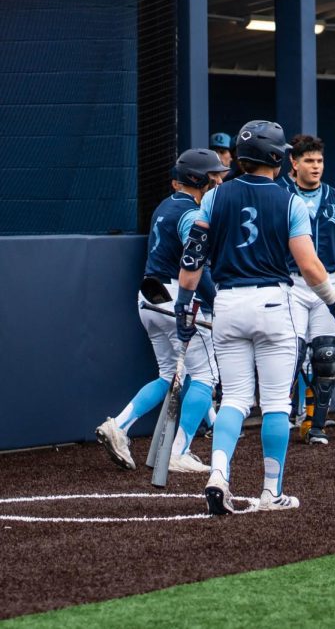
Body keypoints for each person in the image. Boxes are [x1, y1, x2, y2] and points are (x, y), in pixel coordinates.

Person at [175, 121, 335, 515]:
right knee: (274, 402)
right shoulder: (289, 201)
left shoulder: (214, 198)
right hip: (275, 303)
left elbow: (191, 264)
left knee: (235, 398)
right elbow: (309, 265)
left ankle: (218, 472)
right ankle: (272, 492)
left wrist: (184, 306)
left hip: (228, 305)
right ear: (276, 157)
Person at [95, 149, 228, 474]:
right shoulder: (191, 214)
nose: (220, 180)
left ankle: (120, 424)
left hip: (148, 298)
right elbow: (194, 263)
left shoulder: (164, 207)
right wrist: (218, 304)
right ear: (199, 179)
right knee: (206, 376)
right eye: (214, 175)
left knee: (169, 375)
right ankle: (179, 450)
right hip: (175, 296)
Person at [284, 134, 335, 446]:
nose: (315, 167)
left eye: (319, 161)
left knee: (327, 355)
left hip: (328, 281)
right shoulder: (282, 194)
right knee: (292, 353)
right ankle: (286, 412)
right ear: (294, 162)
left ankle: (316, 424)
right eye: (309, 161)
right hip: (290, 282)